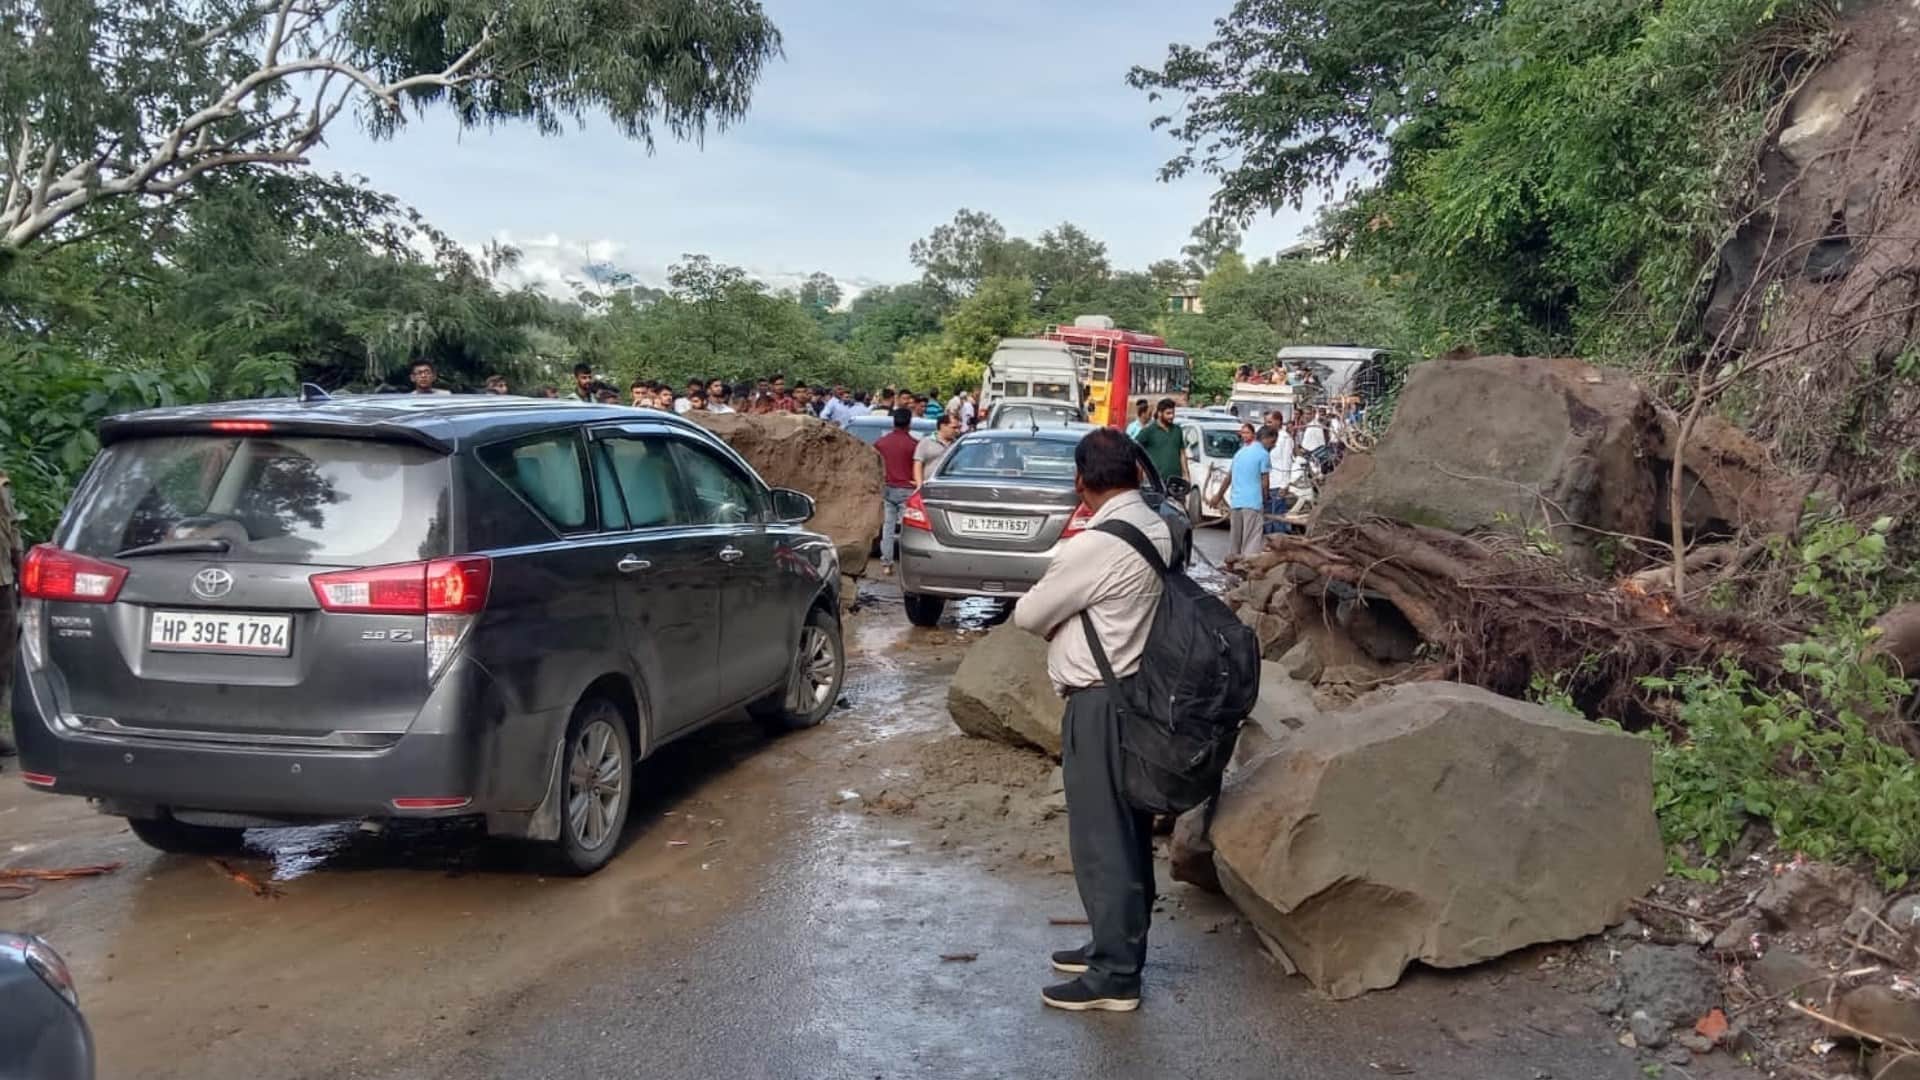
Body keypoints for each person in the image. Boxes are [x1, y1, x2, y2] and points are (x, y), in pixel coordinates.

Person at [1011, 428, 1173, 1014]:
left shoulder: (1097, 543)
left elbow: (1029, 614)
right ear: (1137, 473)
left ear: (1080, 481)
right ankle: (1114, 945)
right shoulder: (1157, 525)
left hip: (1100, 703)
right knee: (1127, 831)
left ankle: (1115, 975)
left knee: (1102, 838)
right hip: (1138, 696)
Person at [874, 408, 920, 575]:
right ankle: (909, 563)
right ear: (909, 423)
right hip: (907, 490)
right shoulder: (914, 445)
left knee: (888, 528)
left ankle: (886, 563)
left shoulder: (881, 443)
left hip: (887, 488)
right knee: (909, 529)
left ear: (893, 422)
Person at [1227, 426, 1277, 557]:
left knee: (1235, 542)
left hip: (1236, 502)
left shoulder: (1240, 452)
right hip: (1253, 503)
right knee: (1251, 542)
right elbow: (1265, 482)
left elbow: (1230, 476)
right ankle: (1246, 566)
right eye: (1273, 442)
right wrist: (1266, 499)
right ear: (1266, 438)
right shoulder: (1263, 454)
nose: (1274, 445)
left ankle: (1232, 564)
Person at [1132, 398, 1187, 486]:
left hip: (1176, 481)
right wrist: (1140, 474)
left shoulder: (1177, 430)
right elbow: (1135, 451)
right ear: (1160, 413)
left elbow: (1182, 453)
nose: (1172, 416)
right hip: (1155, 482)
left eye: (1173, 413)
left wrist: (1186, 475)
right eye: (1168, 413)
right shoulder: (1148, 431)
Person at [914, 412, 959, 485]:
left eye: (958, 428)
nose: (957, 431)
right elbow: (918, 464)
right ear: (943, 426)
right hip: (929, 485)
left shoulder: (957, 444)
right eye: (954, 428)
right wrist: (919, 484)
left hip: (949, 485)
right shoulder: (926, 442)